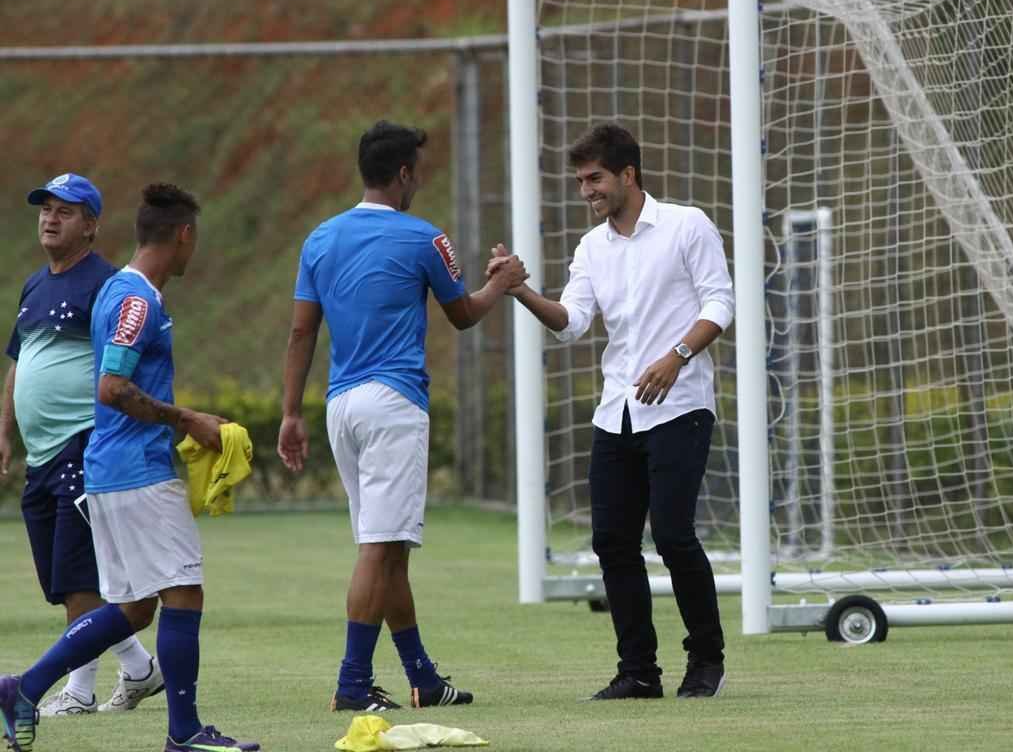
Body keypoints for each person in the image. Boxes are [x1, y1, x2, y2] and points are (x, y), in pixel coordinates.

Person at [276, 121, 527, 712]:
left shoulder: (320, 238)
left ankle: (422, 677)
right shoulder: (425, 238)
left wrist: (290, 412)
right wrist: (504, 283)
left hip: (341, 405)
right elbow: (463, 314)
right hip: (393, 404)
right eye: (418, 170)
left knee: (386, 549)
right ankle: (351, 683)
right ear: (404, 174)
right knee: (379, 548)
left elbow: (300, 331)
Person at [1, 183, 259, 752]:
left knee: (135, 608)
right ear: (183, 235)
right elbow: (113, 387)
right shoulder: (137, 299)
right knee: (184, 592)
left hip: (109, 469)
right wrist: (186, 418)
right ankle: (184, 732)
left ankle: (25, 687)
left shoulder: (120, 289)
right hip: (136, 468)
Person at [489, 122, 734, 700]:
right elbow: (572, 324)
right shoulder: (591, 247)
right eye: (580, 181)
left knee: (673, 536)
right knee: (613, 544)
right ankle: (639, 672)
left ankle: (706, 661)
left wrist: (676, 357)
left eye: (594, 178)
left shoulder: (686, 225)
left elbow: (721, 302)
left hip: (681, 407)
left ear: (629, 174)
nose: (587, 191)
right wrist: (519, 290)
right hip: (615, 413)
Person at [1, 173, 162, 717]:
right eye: (45, 208)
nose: (50, 217)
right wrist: (5, 433)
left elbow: (124, 361)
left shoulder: (107, 285)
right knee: (58, 580)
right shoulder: (33, 286)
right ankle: (140, 670)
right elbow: (20, 365)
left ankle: (78, 692)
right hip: (41, 455)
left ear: (91, 225)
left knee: (78, 580)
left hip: (83, 448)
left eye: (65, 211)